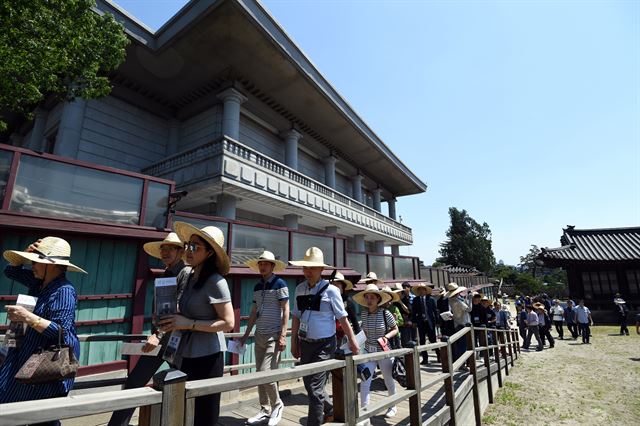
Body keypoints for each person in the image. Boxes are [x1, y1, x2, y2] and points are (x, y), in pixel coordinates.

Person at [1, 237, 85, 423]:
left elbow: (61, 332)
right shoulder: (38, 282)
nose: (32, 265)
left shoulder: (63, 291)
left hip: (45, 362)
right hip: (25, 353)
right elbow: (10, 270)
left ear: (52, 265)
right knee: (10, 404)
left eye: (36, 262)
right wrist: (26, 254)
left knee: (41, 414)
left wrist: (27, 317)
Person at [157, 222, 234, 426]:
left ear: (210, 253)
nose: (188, 251)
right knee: (182, 410)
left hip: (208, 355)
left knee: (204, 415)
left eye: (195, 247)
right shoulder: (186, 275)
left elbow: (228, 323)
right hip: (183, 353)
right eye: (188, 245)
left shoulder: (216, 281)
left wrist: (188, 323)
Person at [108, 233, 186, 426]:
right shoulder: (166, 273)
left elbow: (179, 308)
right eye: (163, 248)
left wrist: (158, 335)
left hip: (178, 341)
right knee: (134, 382)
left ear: (180, 251)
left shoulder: (185, 273)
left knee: (183, 386)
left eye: (170, 248)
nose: (165, 252)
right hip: (160, 340)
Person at [290, 247, 359, 426]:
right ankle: (329, 409)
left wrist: (353, 341)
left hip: (325, 345)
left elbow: (342, 318)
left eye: (312, 267)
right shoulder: (299, 289)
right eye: (305, 267)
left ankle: (315, 422)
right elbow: (296, 316)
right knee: (310, 384)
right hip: (305, 343)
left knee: (314, 387)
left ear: (322, 270)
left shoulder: (332, 291)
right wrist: (293, 342)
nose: (308, 271)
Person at [239, 251, 289, 426]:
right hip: (259, 334)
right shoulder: (257, 286)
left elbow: (286, 311)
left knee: (264, 373)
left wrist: (283, 336)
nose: (262, 266)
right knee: (259, 373)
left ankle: (277, 404)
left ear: (273, 266)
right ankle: (265, 408)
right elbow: (254, 312)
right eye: (261, 263)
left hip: (273, 336)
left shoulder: (280, 284)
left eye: (266, 264)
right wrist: (245, 335)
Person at [353, 284, 399, 419]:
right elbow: (365, 332)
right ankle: (364, 411)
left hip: (384, 351)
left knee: (388, 380)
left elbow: (395, 329)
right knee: (365, 381)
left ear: (378, 299)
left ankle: (393, 406)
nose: (369, 300)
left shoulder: (386, 313)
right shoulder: (364, 314)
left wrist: (386, 337)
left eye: (372, 297)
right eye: (367, 297)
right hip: (369, 351)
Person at [411, 282, 438, 364]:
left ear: (426, 291)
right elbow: (414, 312)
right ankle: (425, 358)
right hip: (421, 322)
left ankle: (439, 355)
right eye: (420, 290)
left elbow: (435, 311)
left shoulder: (431, 299)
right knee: (422, 341)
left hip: (430, 322)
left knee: (433, 339)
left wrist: (437, 321)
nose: (421, 291)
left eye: (423, 290)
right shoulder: (416, 300)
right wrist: (414, 321)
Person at [330, 271, 360, 342]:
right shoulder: (327, 301)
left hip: (344, 338)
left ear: (343, 287)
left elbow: (355, 323)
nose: (334, 287)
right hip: (329, 337)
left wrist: (356, 341)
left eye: (337, 284)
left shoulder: (348, 303)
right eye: (333, 285)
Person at [446, 283, 471, 362]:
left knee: (460, 344)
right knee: (463, 345)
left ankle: (462, 361)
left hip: (457, 323)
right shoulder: (457, 300)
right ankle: (462, 362)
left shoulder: (451, 300)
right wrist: (470, 298)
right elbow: (469, 309)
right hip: (463, 324)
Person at [398, 281, 416, 346]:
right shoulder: (401, 298)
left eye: (406, 287)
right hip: (404, 320)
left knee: (413, 337)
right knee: (405, 339)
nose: (405, 289)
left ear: (409, 288)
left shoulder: (413, 297)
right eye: (403, 288)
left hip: (412, 319)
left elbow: (414, 310)